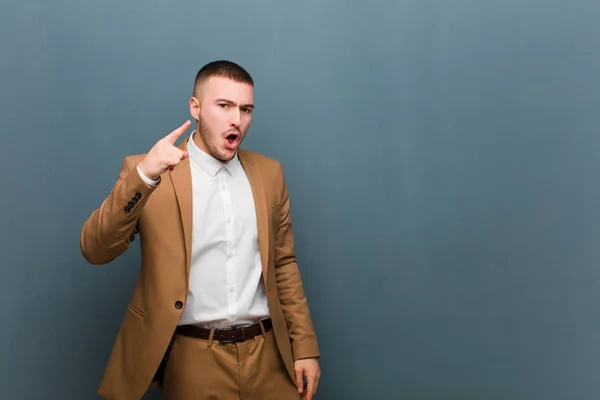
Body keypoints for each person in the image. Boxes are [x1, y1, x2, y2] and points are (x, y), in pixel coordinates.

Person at [80, 60, 321, 400]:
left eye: (246, 109)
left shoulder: (269, 174)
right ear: (195, 107)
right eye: (224, 106)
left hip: (270, 357)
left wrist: (305, 346)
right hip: (194, 359)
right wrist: (145, 176)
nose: (237, 119)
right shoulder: (147, 171)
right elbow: (95, 249)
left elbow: (283, 265)